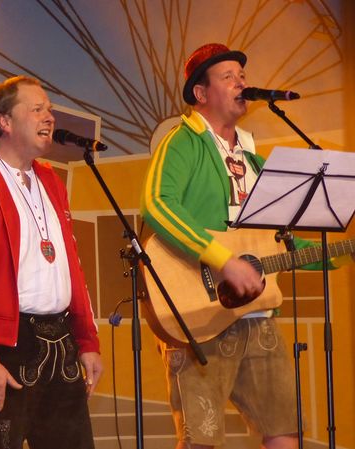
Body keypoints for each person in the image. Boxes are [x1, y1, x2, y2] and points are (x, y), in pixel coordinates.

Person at [141, 43, 311, 449]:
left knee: (285, 433)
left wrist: (339, 254)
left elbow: (280, 240)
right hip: (199, 313)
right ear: (200, 93)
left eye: (242, 76)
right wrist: (222, 259)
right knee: (200, 440)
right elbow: (157, 204)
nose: (241, 83)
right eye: (228, 76)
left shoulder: (252, 157)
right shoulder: (183, 142)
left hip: (257, 314)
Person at [0, 75, 102, 449]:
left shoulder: (51, 181)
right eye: (37, 109)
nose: (49, 117)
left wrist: (87, 340)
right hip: (5, 347)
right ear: (5, 121)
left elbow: (71, 266)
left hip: (60, 340)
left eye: (49, 109)